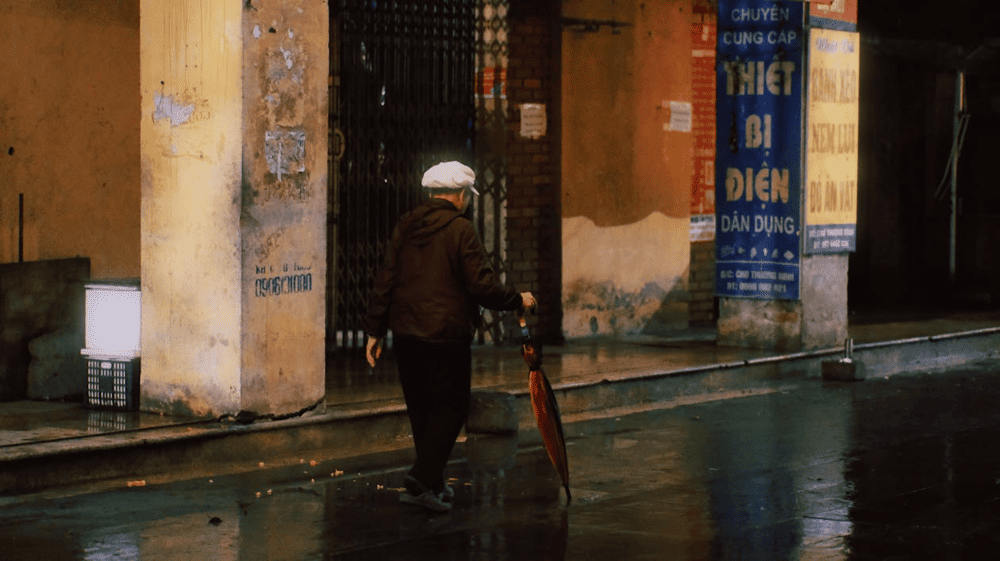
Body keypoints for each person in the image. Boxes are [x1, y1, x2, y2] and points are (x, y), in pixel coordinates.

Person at [365, 161, 536, 512]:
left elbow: (386, 278)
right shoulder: (461, 230)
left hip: (407, 334)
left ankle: (432, 483)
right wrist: (518, 299)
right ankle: (419, 479)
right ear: (459, 196)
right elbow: (481, 285)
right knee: (453, 406)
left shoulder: (405, 225)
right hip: (444, 334)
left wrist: (374, 330)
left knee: (423, 411)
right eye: (467, 197)